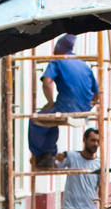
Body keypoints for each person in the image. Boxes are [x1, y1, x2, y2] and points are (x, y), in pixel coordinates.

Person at [28, 35, 99, 168]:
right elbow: (97, 94)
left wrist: (50, 102)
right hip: (83, 111)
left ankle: (40, 155)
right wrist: (88, 106)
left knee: (36, 121)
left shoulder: (58, 60)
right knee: (50, 122)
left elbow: (47, 82)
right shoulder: (84, 65)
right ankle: (49, 154)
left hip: (66, 107)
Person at [55, 127, 102, 209]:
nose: (95, 144)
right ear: (84, 140)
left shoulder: (100, 164)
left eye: (98, 141)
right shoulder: (72, 156)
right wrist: (54, 158)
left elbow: (101, 189)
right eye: (93, 140)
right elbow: (56, 166)